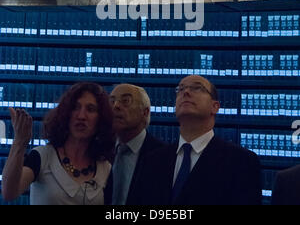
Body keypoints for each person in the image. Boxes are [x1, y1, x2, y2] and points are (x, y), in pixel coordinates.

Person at [135, 75, 262, 205]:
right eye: (180, 89)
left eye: (197, 88)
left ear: (215, 106)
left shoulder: (241, 161)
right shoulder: (152, 160)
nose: (186, 92)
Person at [2, 82, 115, 205]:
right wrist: (19, 142)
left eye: (90, 109)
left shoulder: (105, 167)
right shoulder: (42, 156)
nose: (81, 116)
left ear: (101, 119)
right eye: (75, 107)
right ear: (66, 113)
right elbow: (9, 192)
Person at [104, 83, 165, 205]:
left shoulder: (164, 157)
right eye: (112, 101)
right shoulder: (100, 151)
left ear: (145, 112)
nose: (116, 106)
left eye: (125, 101)